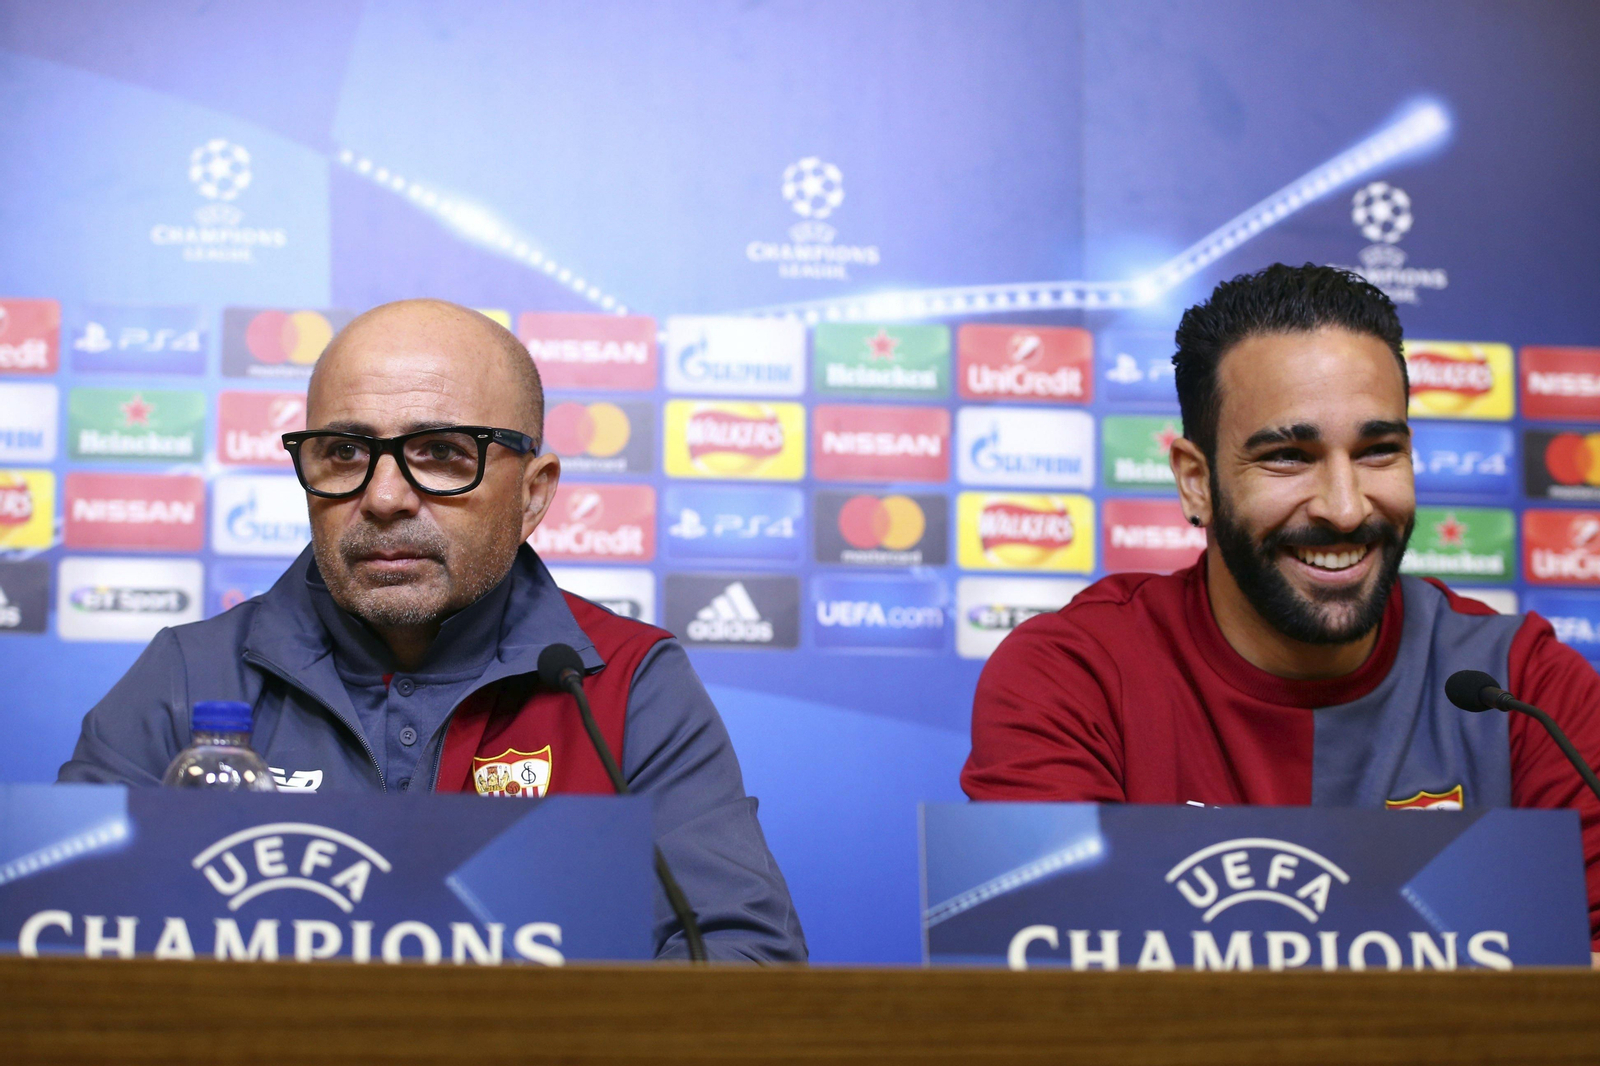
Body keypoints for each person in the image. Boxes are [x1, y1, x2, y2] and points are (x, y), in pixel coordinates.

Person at [60, 299, 806, 963]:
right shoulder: (192, 675)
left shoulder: (622, 680)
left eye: (442, 452)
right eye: (345, 452)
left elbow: (742, 961)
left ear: (534, 494)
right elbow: (54, 947)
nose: (383, 497)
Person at [964, 264, 1600, 947]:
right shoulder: (1074, 678)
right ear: (1196, 481)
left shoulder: (1523, 688)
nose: (1346, 506)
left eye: (1378, 451)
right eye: (1289, 457)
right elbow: (1047, 997)